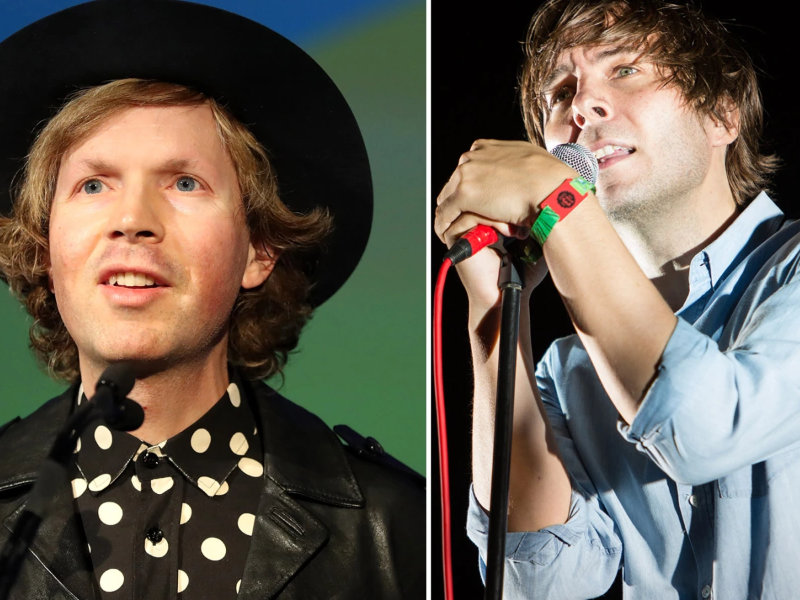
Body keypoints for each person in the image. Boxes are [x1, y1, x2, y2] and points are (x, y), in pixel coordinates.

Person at [0, 1, 424, 598]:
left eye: (184, 182)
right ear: (45, 248)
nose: (131, 220)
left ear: (259, 250)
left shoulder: (396, 527)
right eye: (93, 184)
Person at [435, 0, 800, 598]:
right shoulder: (567, 371)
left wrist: (564, 212)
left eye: (624, 70)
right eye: (560, 92)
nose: (582, 106)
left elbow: (702, 430)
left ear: (721, 114)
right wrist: (493, 310)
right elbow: (545, 584)